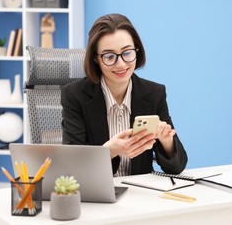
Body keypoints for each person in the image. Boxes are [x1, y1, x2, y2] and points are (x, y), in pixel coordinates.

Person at [61, 13, 188, 176]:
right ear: (96, 59)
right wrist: (110, 151)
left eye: (127, 53)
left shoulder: (154, 94)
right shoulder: (74, 95)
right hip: (96, 192)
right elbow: (73, 166)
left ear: (137, 50)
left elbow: (177, 167)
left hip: (139, 194)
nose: (121, 64)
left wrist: (166, 140)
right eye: (109, 56)